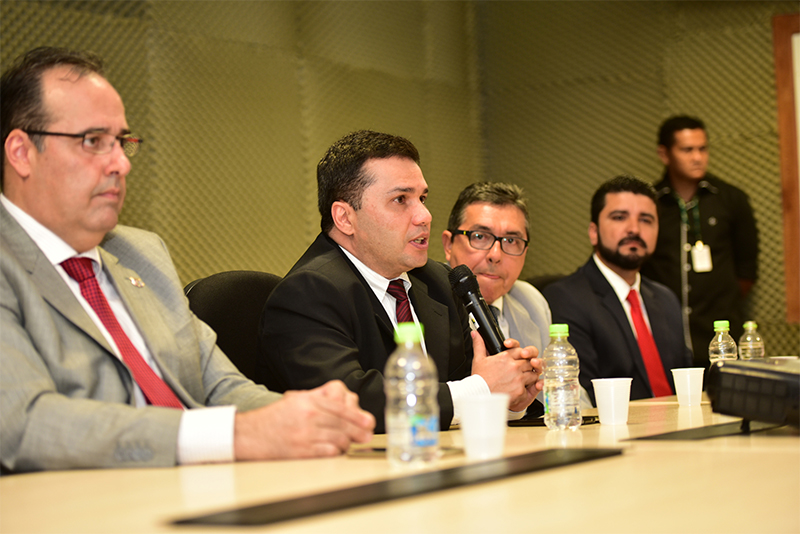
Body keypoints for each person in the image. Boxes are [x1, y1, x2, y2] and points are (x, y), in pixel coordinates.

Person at [0, 47, 374, 473]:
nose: (120, 163)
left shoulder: (140, 253)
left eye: (121, 142)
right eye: (93, 141)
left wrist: (307, 417)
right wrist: (231, 436)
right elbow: (24, 423)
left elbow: (220, 385)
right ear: (21, 152)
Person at [258, 130, 542, 433]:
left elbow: (474, 383)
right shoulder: (306, 294)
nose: (424, 215)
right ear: (344, 218)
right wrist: (482, 389)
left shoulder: (440, 283)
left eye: (422, 198)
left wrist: (511, 397)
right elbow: (355, 405)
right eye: (400, 200)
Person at [542, 175, 692, 406]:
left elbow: (686, 383)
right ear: (594, 232)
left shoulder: (666, 298)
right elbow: (583, 399)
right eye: (620, 217)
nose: (634, 229)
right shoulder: (565, 298)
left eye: (646, 220)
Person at [640, 116, 758, 366]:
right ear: (664, 154)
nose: (697, 157)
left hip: (720, 332)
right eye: (687, 150)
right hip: (664, 331)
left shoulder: (731, 199)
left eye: (702, 148)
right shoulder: (650, 204)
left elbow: (747, 269)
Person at [441, 182, 551, 416]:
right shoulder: (423, 301)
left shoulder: (531, 301)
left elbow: (556, 394)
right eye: (480, 236)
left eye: (511, 241)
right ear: (448, 245)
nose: (496, 255)